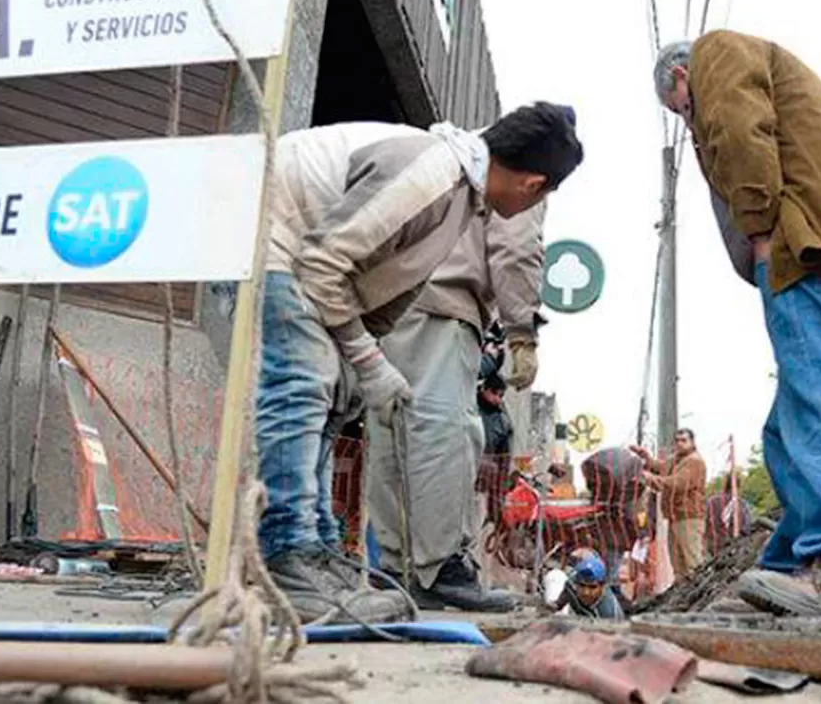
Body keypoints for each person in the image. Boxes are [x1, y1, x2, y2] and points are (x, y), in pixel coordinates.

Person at [252, 102, 584, 621]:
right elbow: (321, 265)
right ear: (534, 184)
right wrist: (367, 359)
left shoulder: (462, 196)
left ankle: (313, 552)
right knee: (301, 388)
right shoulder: (433, 175)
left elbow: (382, 291)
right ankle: (286, 555)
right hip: (271, 235)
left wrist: (363, 362)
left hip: (305, 254)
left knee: (330, 403)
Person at [651, 33, 821, 617]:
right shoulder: (769, 66)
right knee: (793, 424)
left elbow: (737, 128)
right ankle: (786, 573)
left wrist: (759, 230)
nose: (688, 118)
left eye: (681, 111)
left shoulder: (714, 56)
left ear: (679, 80)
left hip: (808, 253)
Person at [370, 111, 567, 612]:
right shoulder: (517, 175)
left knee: (392, 438)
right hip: (443, 307)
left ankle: (394, 570)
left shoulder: (443, 153)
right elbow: (517, 250)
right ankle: (440, 570)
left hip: (387, 307)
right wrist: (522, 332)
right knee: (445, 435)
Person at [629, 429, 708, 580]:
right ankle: (684, 599)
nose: (679, 443)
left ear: (692, 442)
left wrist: (651, 478)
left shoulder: (694, 461)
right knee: (678, 566)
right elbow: (661, 467)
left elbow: (678, 483)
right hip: (675, 517)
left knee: (692, 564)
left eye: (684, 440)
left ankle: (700, 597)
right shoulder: (676, 459)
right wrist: (646, 458)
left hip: (689, 517)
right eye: (677, 440)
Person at [543, 552, 625, 620]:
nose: (586, 592)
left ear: (602, 586)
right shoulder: (571, 585)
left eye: (592, 587)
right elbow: (558, 603)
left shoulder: (609, 612)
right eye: (582, 585)